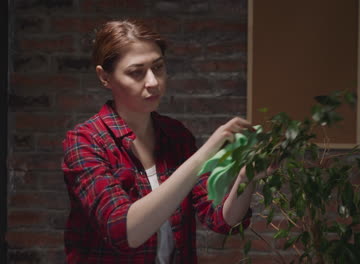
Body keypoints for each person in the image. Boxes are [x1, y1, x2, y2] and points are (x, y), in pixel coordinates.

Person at [62, 20, 259, 263]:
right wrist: (204, 155)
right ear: (105, 77)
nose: (153, 81)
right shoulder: (85, 141)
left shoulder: (176, 136)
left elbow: (221, 220)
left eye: (158, 67)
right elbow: (124, 232)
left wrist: (245, 176)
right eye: (136, 72)